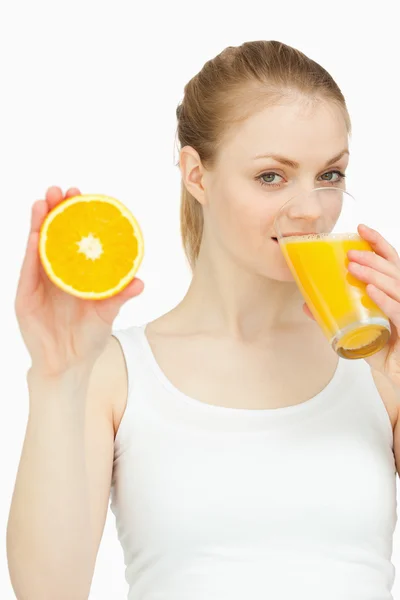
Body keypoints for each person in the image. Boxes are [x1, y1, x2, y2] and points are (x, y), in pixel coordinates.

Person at [6, 40, 400, 600]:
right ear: (196, 174)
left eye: (330, 175)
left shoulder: (379, 360)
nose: (311, 209)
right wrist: (57, 377)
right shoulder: (116, 373)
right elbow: (48, 592)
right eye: (272, 176)